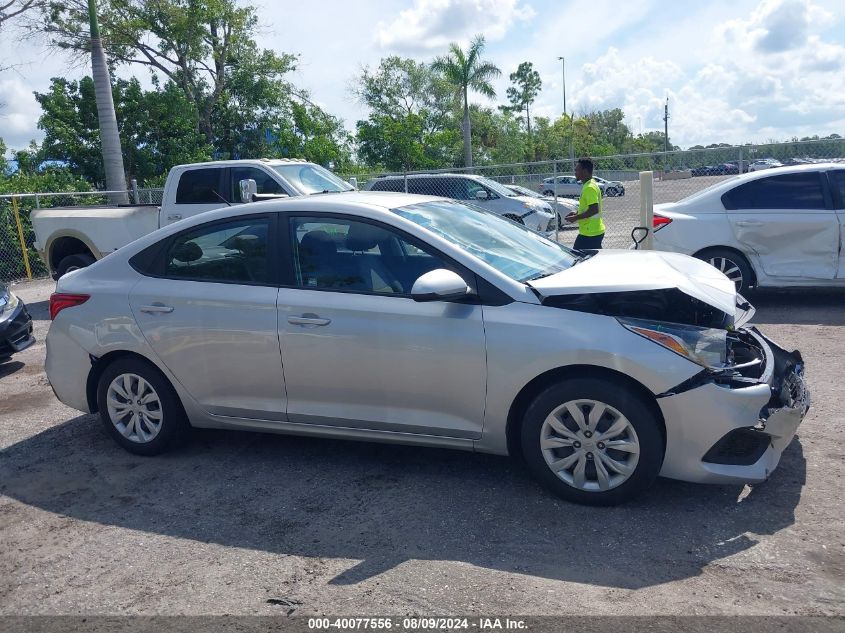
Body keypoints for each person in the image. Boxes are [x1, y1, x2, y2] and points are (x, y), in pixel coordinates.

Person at [565, 157, 605, 249]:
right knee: (594, 259)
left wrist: (575, 217)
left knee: (576, 256)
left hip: (590, 233)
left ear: (585, 171)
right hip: (592, 231)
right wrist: (576, 213)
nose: (575, 172)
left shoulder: (589, 188)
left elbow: (594, 209)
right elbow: (589, 208)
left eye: (577, 170)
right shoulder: (590, 184)